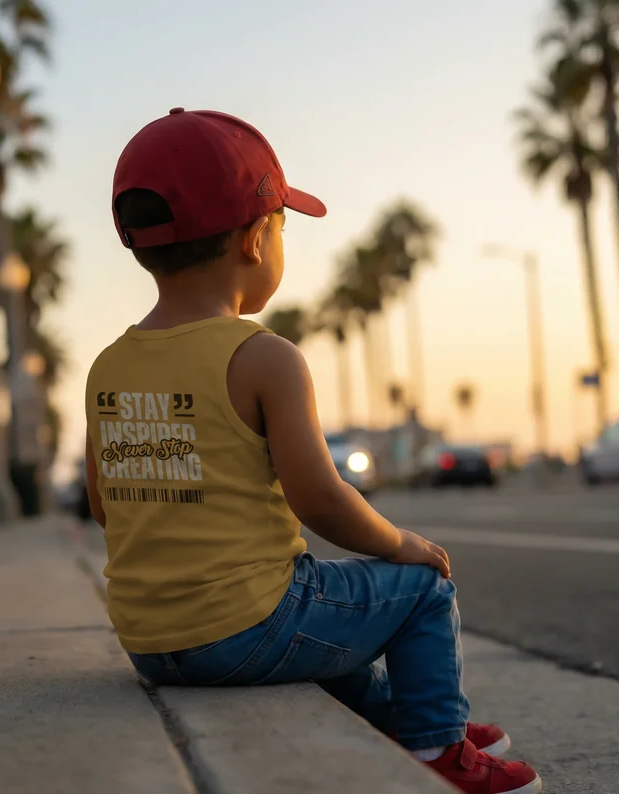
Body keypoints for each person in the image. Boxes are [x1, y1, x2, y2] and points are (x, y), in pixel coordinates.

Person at [84, 108, 541, 794]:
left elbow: (104, 506)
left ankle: (407, 718)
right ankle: (436, 749)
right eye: (282, 227)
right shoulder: (263, 356)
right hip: (245, 631)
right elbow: (320, 499)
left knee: (318, 615)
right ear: (255, 240)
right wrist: (403, 545)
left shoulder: (108, 366)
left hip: (151, 644)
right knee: (419, 593)